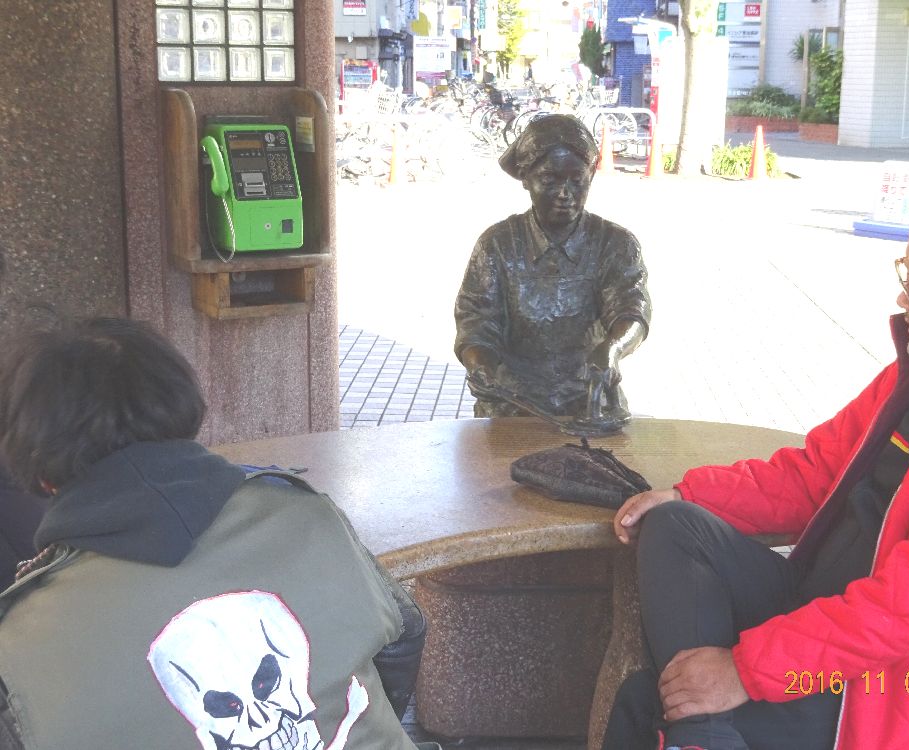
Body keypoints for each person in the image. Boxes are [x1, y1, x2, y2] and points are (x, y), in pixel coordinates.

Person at [604, 175, 909, 750]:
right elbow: (816, 470)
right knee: (674, 525)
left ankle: (700, 730)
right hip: (819, 603)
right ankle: (703, 731)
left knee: (645, 703)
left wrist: (744, 671)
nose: (902, 300)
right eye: (904, 276)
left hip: (900, 678)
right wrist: (692, 494)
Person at [0, 317, 435, 750]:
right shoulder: (305, 512)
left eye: (266, 684)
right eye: (226, 706)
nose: (261, 721)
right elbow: (404, 636)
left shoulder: (19, 641)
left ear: (41, 478)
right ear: (182, 413)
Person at [455, 114, 651, 419]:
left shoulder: (615, 243)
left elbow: (631, 309)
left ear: (590, 176)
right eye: (549, 180)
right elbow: (477, 321)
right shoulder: (497, 244)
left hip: (589, 404)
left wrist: (613, 348)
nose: (565, 193)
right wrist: (480, 364)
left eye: (577, 180)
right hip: (512, 406)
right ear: (525, 178)